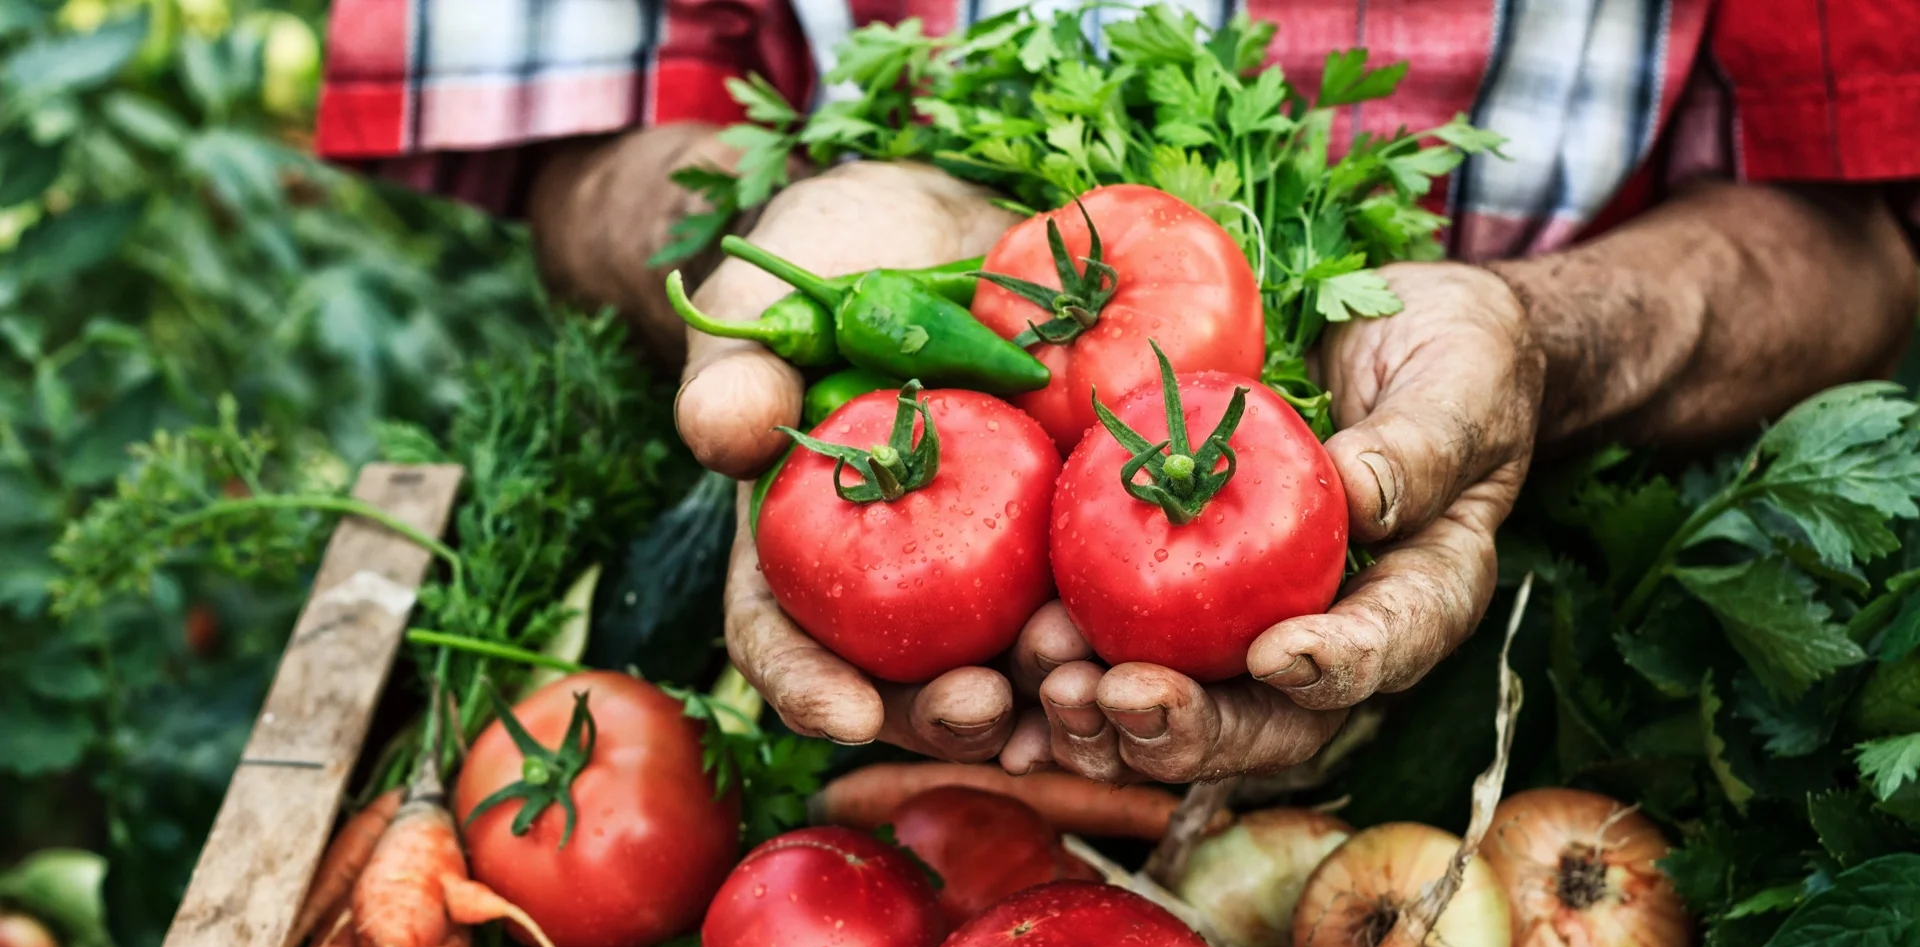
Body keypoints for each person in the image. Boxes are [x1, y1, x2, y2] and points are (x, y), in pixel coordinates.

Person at [317, 0, 1919, 783]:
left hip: (1562, 649)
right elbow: (586, 121)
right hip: (877, 689)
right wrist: (785, 286)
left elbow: (1858, 219)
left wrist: (1543, 338)